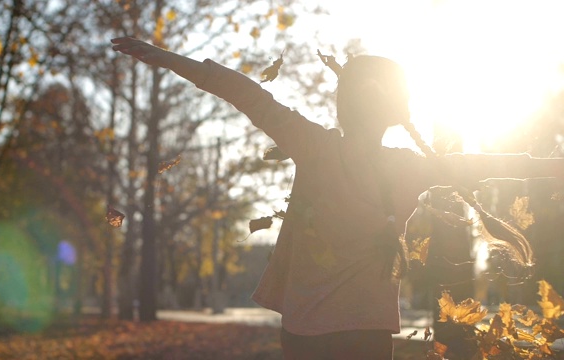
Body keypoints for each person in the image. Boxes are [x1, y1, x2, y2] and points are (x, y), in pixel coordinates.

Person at [111, 37, 564, 359]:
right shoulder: (409, 167)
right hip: (368, 332)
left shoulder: (313, 146)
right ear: (395, 114)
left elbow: (244, 93)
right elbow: (498, 163)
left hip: (304, 330)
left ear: (340, 104)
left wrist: (166, 58)